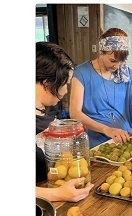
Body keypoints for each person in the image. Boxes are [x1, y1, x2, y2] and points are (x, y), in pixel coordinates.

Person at [35, 42, 94, 202]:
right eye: (66, 84)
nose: (67, 91)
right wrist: (57, 194)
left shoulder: (46, 109)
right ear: (47, 84)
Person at [70, 27, 132, 148]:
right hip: (97, 144)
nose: (117, 66)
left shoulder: (126, 73)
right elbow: (75, 114)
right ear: (101, 52)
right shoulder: (81, 73)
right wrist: (108, 130)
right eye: (113, 60)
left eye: (121, 61)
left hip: (126, 139)